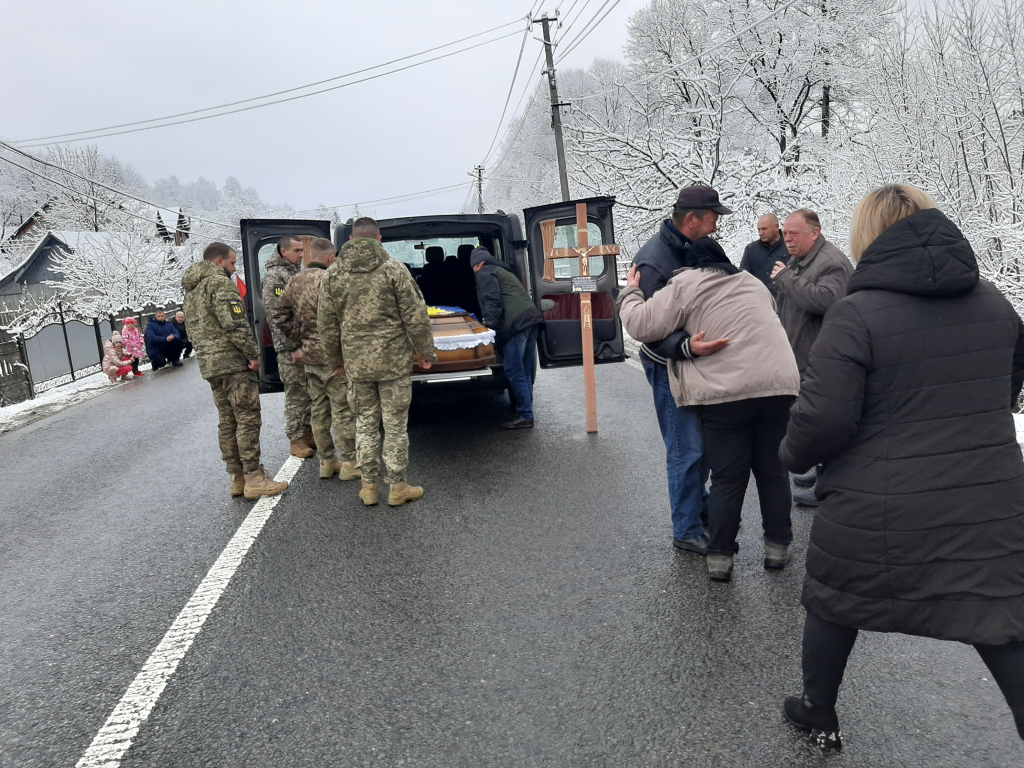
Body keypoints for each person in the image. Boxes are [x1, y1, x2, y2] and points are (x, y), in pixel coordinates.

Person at [779, 185, 1024, 750]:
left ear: (868, 237)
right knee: (1003, 622)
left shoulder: (855, 314)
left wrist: (790, 456)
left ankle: (819, 712)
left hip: (879, 500)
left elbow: (824, 420)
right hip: (986, 500)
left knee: (835, 599)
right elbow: (1006, 392)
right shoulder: (994, 302)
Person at [619, 238, 800, 581]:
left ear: (691, 265)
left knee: (728, 479)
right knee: (773, 472)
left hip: (727, 394)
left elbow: (641, 325)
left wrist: (630, 292)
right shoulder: (751, 282)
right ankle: (778, 550)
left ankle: (720, 558)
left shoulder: (686, 282)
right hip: (779, 386)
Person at [631, 185, 732, 555]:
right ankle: (687, 528)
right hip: (669, 366)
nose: (716, 227)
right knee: (685, 448)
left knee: (703, 447)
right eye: (712, 219)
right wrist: (686, 346)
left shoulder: (690, 250)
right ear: (691, 219)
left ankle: (698, 511)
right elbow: (647, 327)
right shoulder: (654, 261)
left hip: (696, 363)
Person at [319, 217, 437, 507]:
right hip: (394, 363)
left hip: (357, 366)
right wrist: (425, 353)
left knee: (365, 424)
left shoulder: (333, 275)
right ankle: (398, 486)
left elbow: (326, 324)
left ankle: (369, 487)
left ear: (350, 241)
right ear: (379, 239)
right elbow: (416, 316)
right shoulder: (394, 270)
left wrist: (336, 360)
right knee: (395, 427)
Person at [182, 242, 288, 500]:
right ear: (218, 262)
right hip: (233, 363)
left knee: (227, 421)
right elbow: (235, 324)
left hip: (211, 366)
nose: (234, 267)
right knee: (247, 419)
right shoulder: (219, 284)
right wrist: (252, 355)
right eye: (231, 263)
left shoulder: (192, 290)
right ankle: (255, 477)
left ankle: (237, 478)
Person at [770, 209, 853, 507]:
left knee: (823, 420)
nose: (787, 239)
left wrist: (787, 278)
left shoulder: (831, 263)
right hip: (802, 355)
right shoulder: (803, 259)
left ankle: (829, 482)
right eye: (785, 233)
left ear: (815, 232)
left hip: (822, 357)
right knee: (811, 417)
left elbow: (828, 302)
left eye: (794, 233)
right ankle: (820, 471)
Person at [272, 237, 359, 482]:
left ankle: (327, 461)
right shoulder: (333, 279)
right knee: (342, 409)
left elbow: (278, 315)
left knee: (319, 410)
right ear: (331, 258)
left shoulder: (295, 280)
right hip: (334, 356)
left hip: (309, 356)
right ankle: (350, 462)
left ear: (311, 257)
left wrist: (298, 336)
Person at [470, 246, 545, 429]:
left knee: (514, 371)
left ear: (477, 264)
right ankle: (525, 410)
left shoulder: (484, 273)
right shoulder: (502, 270)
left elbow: (492, 301)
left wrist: (490, 329)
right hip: (531, 320)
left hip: (515, 325)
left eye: (472, 267)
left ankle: (525, 415)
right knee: (525, 371)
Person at [263, 234, 314, 459]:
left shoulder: (295, 273)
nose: (301, 255)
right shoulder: (275, 277)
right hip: (290, 347)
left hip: (305, 343)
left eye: (302, 251)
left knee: (309, 391)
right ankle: (296, 438)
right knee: (296, 393)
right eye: (296, 251)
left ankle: (308, 432)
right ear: (284, 252)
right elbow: (277, 317)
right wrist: (292, 347)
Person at [739, 213, 788, 289]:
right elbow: (743, 275)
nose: (761, 233)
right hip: (759, 297)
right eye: (759, 229)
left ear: (776, 227)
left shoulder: (789, 247)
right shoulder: (751, 249)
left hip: (784, 297)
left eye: (764, 229)